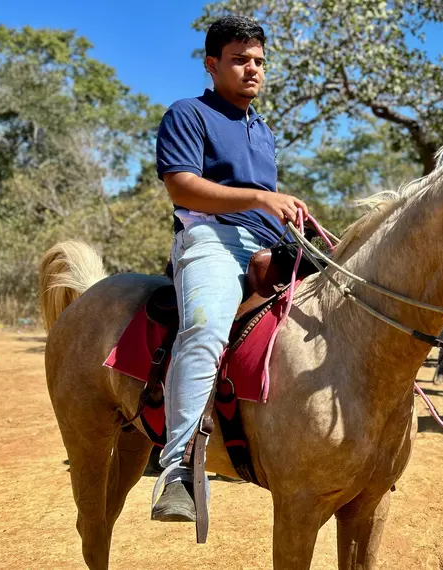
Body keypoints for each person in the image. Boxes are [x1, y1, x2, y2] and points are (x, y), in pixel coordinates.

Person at [151, 16, 309, 522]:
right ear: (212, 63)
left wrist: (289, 216)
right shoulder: (188, 113)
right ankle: (176, 472)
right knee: (204, 326)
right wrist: (262, 198)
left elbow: (263, 203)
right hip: (210, 240)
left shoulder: (261, 130)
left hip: (270, 245)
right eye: (240, 59)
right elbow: (181, 186)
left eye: (259, 61)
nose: (252, 69)